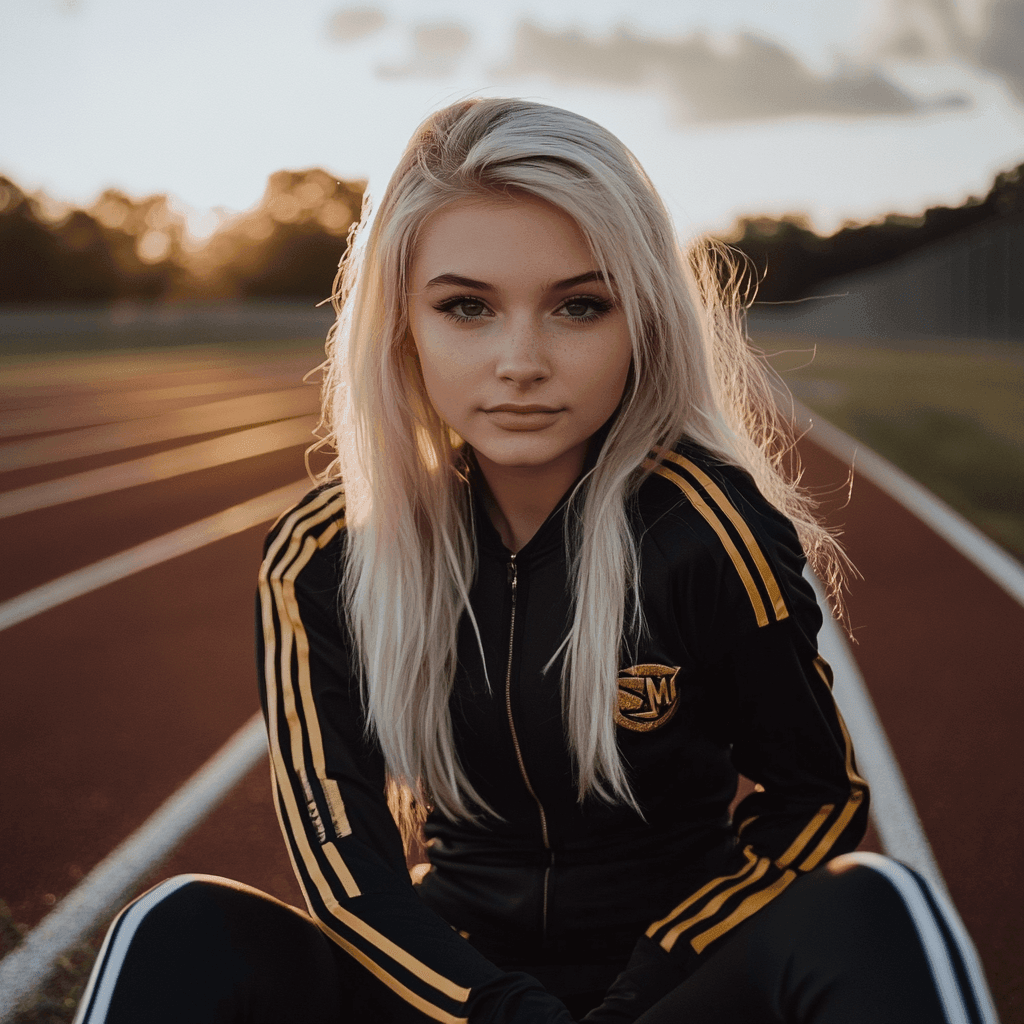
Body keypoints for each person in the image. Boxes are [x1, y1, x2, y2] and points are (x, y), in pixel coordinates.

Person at [74, 98, 995, 1024]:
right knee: (176, 925)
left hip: (672, 986)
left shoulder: (709, 531)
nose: (521, 360)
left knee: (877, 906)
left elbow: (815, 803)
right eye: (466, 307)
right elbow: (345, 868)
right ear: (403, 325)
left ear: (642, 323)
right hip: (457, 991)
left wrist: (653, 976)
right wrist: (496, 1010)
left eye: (579, 306)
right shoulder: (323, 557)